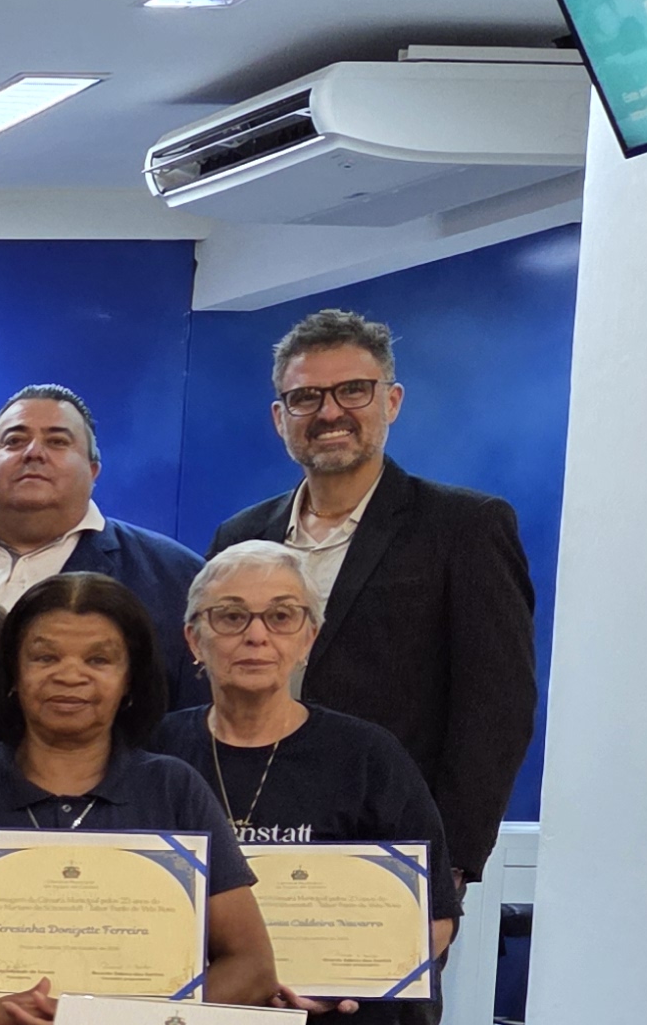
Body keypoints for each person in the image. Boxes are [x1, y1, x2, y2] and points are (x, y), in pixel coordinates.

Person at [0, 574, 277, 1025]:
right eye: (44, 658)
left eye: (98, 660)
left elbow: (252, 967)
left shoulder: (173, 788)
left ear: (130, 679)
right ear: (12, 672)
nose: (69, 675)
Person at [206, 308, 537, 900]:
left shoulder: (464, 527)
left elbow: (497, 707)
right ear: (280, 418)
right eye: (306, 397)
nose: (329, 412)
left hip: (387, 847)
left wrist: (449, 863)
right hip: (241, 840)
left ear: (392, 401)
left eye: (353, 390)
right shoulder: (240, 537)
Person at [159, 543, 458, 1025]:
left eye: (281, 617)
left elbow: (434, 917)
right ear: (194, 639)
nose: (256, 635)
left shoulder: (368, 756)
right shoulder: (156, 751)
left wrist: (346, 981)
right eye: (230, 616)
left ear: (309, 638)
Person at [0, 387, 207, 710]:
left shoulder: (176, 578)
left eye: (57, 441)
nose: (33, 452)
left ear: (93, 470)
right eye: (14, 441)